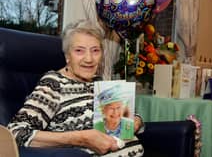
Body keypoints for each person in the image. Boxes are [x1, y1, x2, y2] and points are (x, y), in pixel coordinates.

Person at [7, 20, 144, 156]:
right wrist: (82, 138)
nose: (89, 59)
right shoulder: (54, 84)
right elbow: (16, 132)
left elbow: (125, 115)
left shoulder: (100, 82)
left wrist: (136, 120)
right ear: (67, 56)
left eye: (95, 50)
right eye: (79, 51)